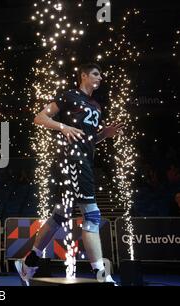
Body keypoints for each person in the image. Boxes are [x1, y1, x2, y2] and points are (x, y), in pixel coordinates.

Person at [15, 63, 124, 285]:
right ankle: (101, 275)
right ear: (83, 76)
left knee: (60, 215)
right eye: (95, 73)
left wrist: (106, 133)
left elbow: (89, 139)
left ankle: (28, 263)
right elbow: (39, 118)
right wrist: (63, 127)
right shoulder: (69, 95)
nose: (100, 77)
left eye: (101, 74)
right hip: (71, 159)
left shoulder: (96, 105)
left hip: (83, 160)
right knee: (92, 215)